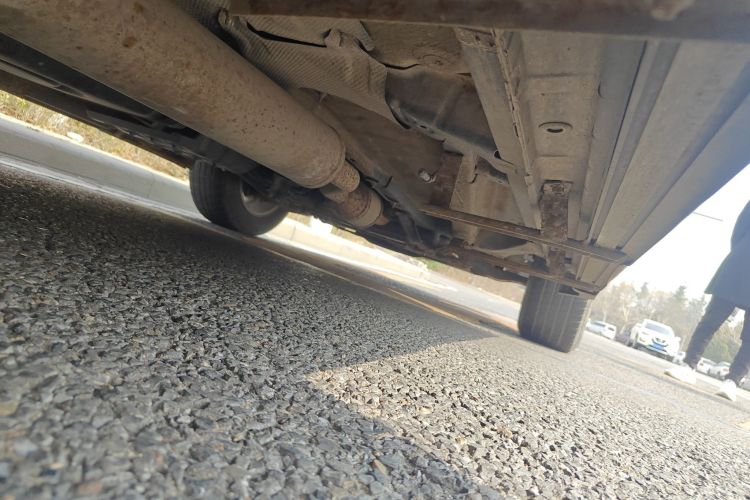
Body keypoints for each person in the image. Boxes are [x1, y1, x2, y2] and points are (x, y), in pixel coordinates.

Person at [666, 200, 750, 401]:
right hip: (741, 262)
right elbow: (740, 228)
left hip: (740, 259)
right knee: (710, 321)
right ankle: (688, 366)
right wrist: (741, 252)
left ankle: (732, 382)